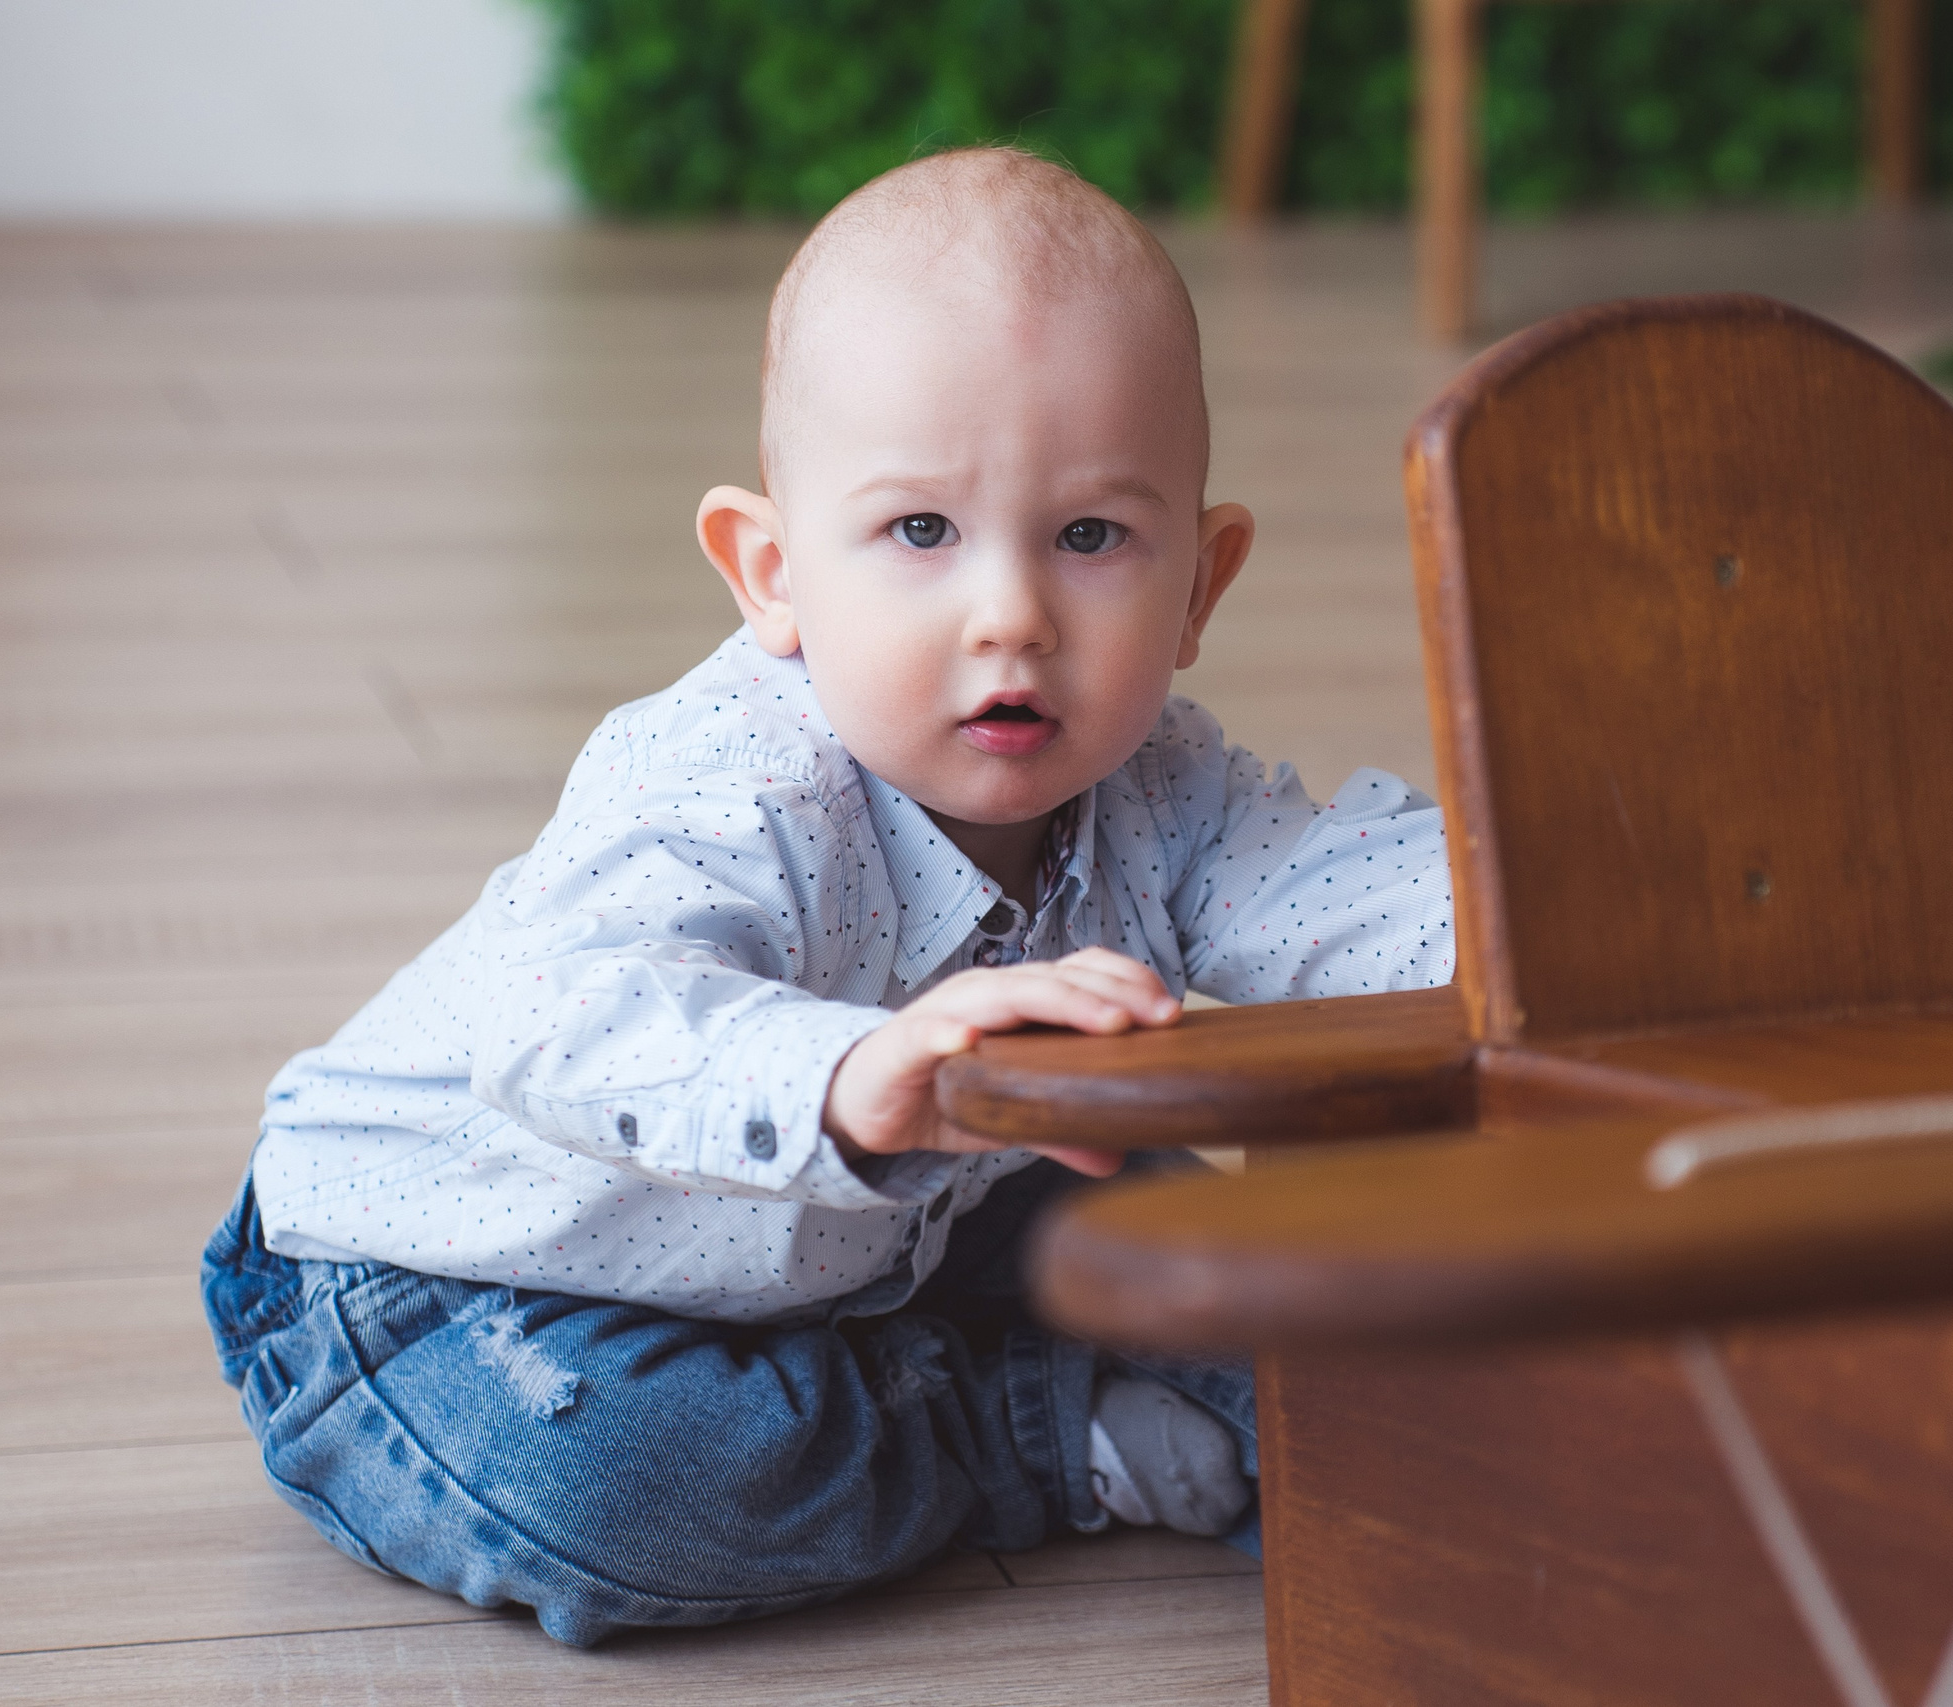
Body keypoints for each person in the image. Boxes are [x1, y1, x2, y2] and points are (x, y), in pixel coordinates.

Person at [200, 145, 1454, 1647]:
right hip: (451, 1276)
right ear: (773, 572)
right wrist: (851, 1073)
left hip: (899, 1229)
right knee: (627, 1475)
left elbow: (1353, 902)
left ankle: (1290, 1437)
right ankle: (1028, 1433)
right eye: (921, 532)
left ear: (1201, 583)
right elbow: (558, 1021)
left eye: (1092, 537)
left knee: (1271, 1289)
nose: (1012, 616)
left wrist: (1596, 890)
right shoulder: (728, 780)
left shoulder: (1166, 786)